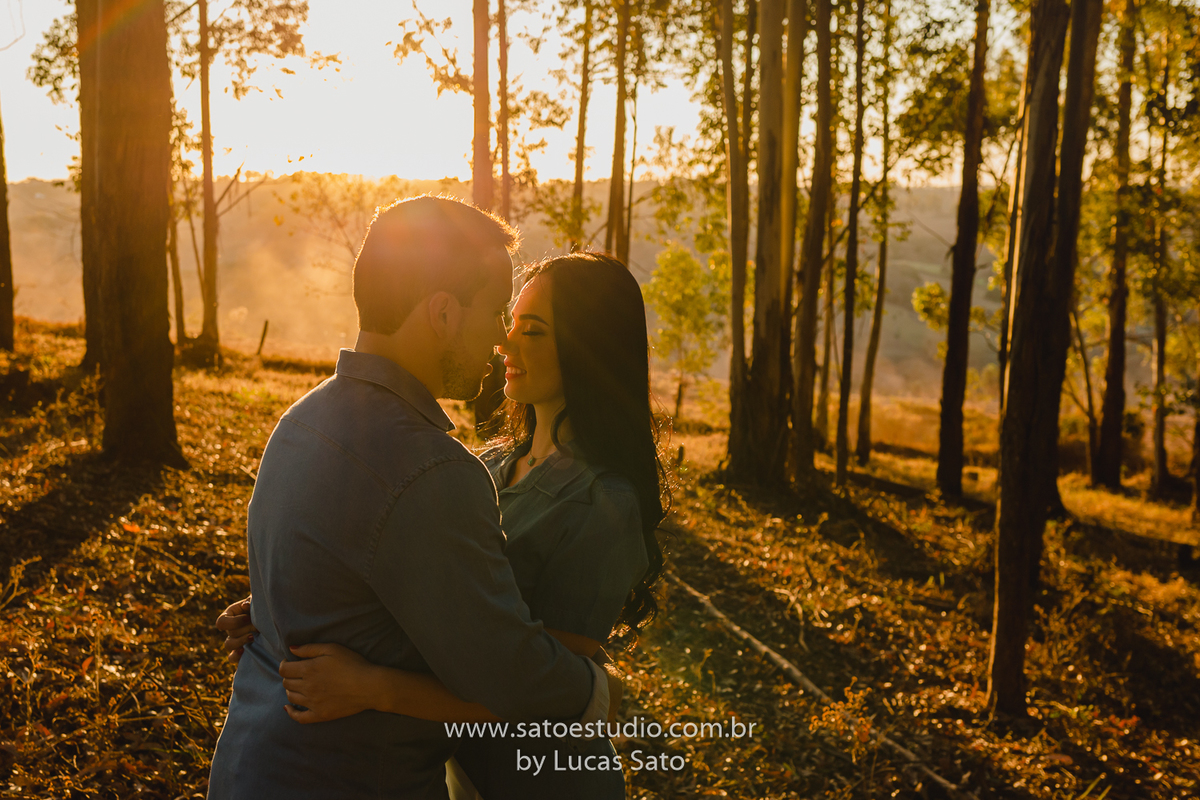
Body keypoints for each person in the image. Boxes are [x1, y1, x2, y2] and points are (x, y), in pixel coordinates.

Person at [206, 196, 619, 800]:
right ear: (445, 314)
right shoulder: (431, 474)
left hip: (252, 763)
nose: (502, 338)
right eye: (496, 311)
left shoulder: (300, 421)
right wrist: (594, 690)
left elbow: (335, 591)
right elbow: (506, 672)